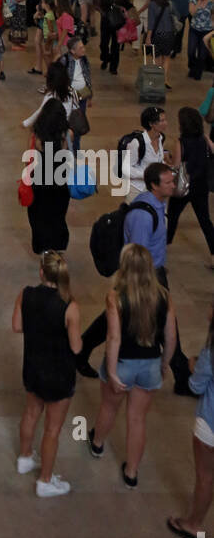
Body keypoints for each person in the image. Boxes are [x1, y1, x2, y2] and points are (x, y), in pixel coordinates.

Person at [76, 163, 192, 393]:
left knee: (118, 315)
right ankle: (181, 376)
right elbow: (137, 254)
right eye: (168, 182)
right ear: (154, 185)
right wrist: (145, 283)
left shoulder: (158, 204)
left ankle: (81, 348)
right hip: (146, 276)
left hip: (156, 271)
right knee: (165, 322)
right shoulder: (143, 215)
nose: (172, 185)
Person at [86, 244, 177, 488]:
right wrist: (165, 363)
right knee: (137, 419)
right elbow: (171, 338)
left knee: (109, 407)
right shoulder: (164, 297)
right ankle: (132, 472)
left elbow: (113, 338)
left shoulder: (116, 297)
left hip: (123, 362)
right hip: (150, 365)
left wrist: (113, 372)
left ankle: (97, 444)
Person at [12, 251, 82, 498]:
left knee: (31, 413)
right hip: (59, 374)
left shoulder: (26, 294)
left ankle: (24, 456)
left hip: (33, 366)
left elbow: (17, 326)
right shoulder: (70, 306)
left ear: (41, 272)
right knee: (52, 429)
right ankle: (45, 480)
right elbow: (76, 347)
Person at [168, 302, 214, 538]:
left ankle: (193, 523)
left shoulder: (211, 351)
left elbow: (196, 385)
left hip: (210, 423)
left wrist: (194, 366)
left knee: (206, 477)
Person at [168, 106, 214, 267]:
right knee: (205, 220)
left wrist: (167, 159)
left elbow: (176, 166)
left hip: (184, 186)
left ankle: (164, 248)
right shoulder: (205, 139)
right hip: (201, 186)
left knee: (172, 217)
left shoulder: (180, 143)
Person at [26, 98, 71, 255]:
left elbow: (30, 158)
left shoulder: (38, 137)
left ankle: (44, 248)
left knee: (39, 215)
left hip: (40, 180)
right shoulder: (65, 135)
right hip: (60, 181)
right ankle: (58, 246)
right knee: (58, 215)